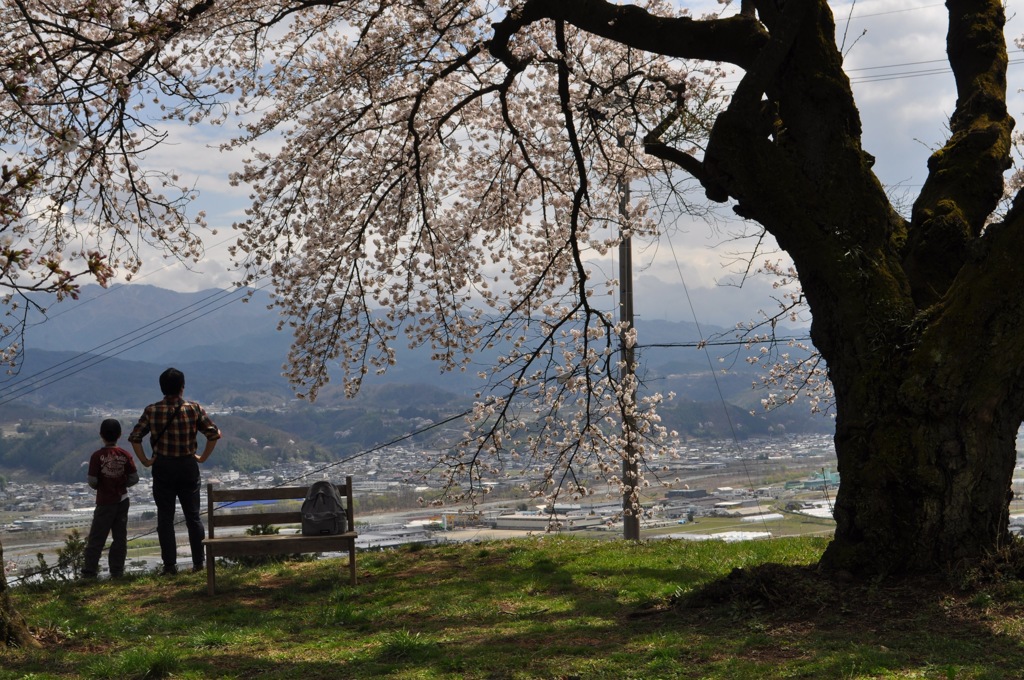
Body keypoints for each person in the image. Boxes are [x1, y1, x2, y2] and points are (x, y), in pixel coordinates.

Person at [128, 367, 221, 575]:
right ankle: (199, 564)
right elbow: (213, 434)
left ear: (162, 388)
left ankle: (170, 566)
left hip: (163, 467)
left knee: (165, 518)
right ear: (182, 387)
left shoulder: (152, 410)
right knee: (193, 517)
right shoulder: (194, 409)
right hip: (188, 466)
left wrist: (145, 460)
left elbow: (135, 437)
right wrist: (203, 457)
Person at [82, 418, 139, 579]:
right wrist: (121, 484)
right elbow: (134, 478)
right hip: (122, 500)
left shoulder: (96, 456)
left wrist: (103, 485)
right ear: (120, 435)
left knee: (97, 538)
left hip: (104, 502)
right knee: (119, 537)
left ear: (101, 435)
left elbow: (92, 481)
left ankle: (90, 571)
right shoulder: (125, 454)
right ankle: (117, 571)